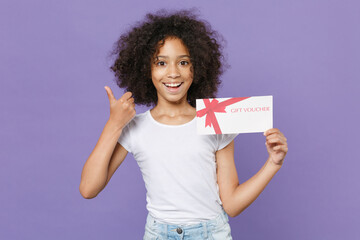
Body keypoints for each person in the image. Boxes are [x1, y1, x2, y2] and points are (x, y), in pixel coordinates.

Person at [79, 9, 288, 240]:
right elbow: (89, 189)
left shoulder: (217, 121)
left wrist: (273, 163)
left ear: (196, 68)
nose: (173, 73)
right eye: (161, 63)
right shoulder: (134, 128)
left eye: (183, 62)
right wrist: (113, 124)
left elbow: (232, 205)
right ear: (146, 69)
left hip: (212, 234)